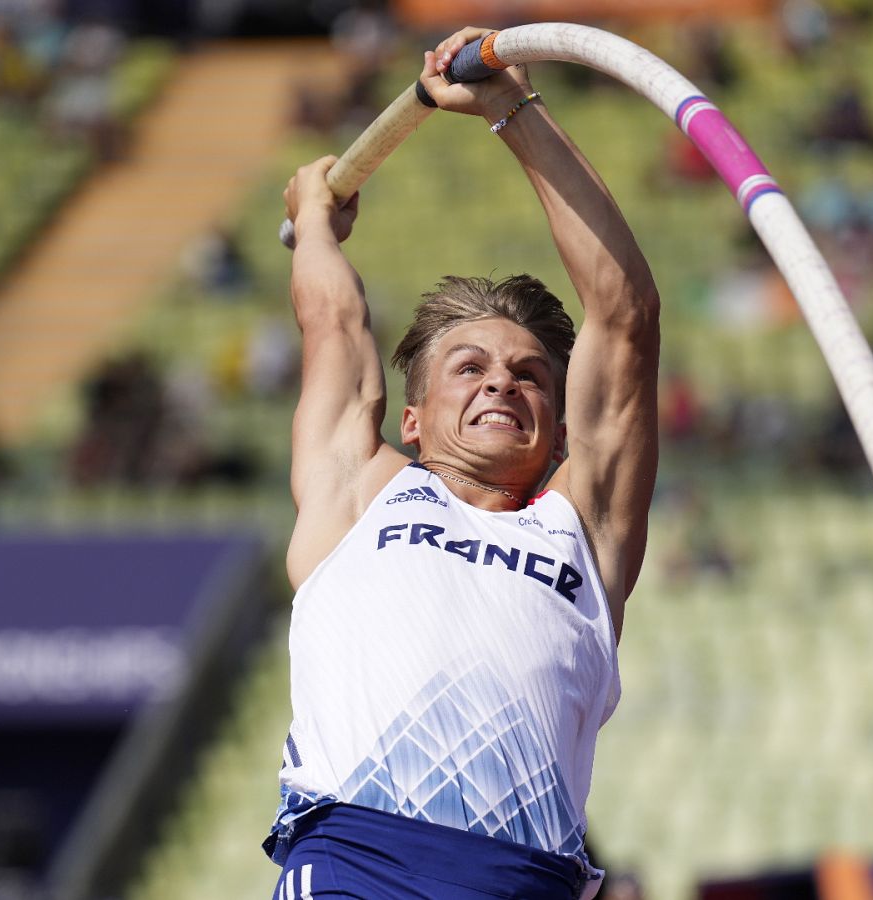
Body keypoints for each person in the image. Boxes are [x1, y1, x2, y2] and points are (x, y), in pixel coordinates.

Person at [265, 27, 660, 900]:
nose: (502, 385)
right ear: (411, 418)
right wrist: (318, 229)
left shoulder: (582, 527)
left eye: (529, 375)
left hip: (522, 881)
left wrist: (512, 108)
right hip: (355, 865)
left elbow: (624, 314)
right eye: (470, 368)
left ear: (559, 431)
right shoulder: (360, 495)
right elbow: (333, 325)